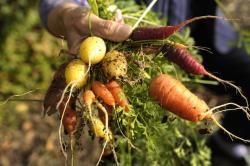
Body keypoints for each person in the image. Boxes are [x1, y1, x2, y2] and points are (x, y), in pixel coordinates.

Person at [39, 0, 250, 165]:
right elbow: (53, 3)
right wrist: (67, 14)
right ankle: (116, 154)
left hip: (207, 33)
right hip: (129, 36)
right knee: (124, 134)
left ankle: (227, 149)